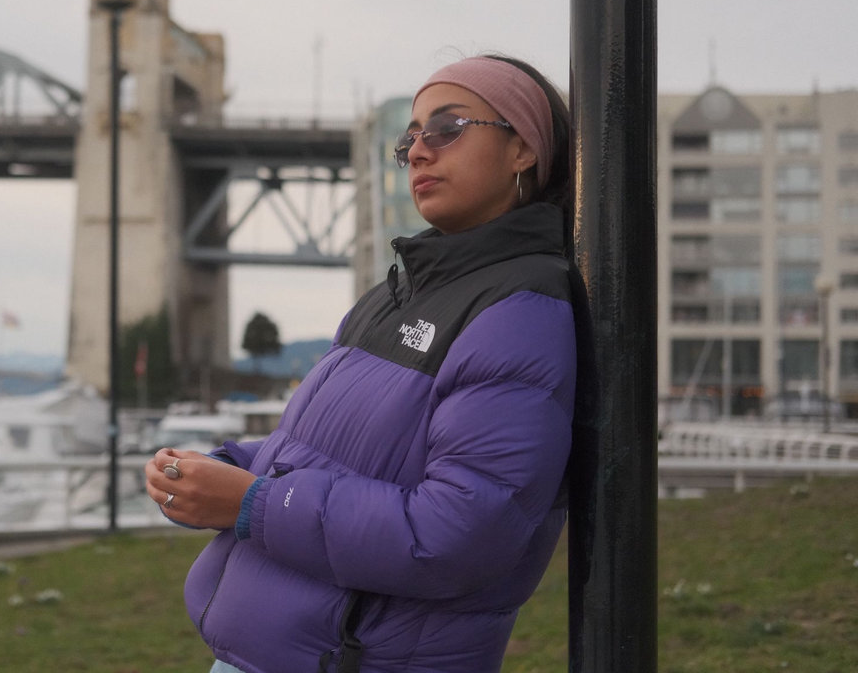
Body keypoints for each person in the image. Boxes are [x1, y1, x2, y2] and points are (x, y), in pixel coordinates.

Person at [146, 54, 590, 673]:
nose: (419, 152)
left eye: (448, 128)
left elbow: (458, 535)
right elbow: (320, 451)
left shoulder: (521, 313)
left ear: (523, 150)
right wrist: (220, 470)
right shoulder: (394, 295)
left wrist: (254, 503)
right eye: (410, 139)